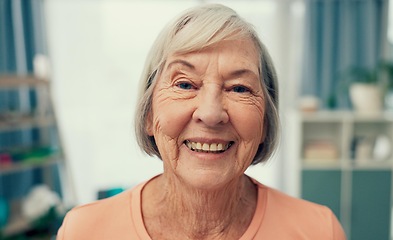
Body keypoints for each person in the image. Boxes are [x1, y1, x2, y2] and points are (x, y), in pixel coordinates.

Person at [57, 4, 346, 240]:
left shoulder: (319, 231)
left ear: (265, 124)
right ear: (148, 115)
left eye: (239, 88)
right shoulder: (83, 231)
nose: (210, 113)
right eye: (184, 85)